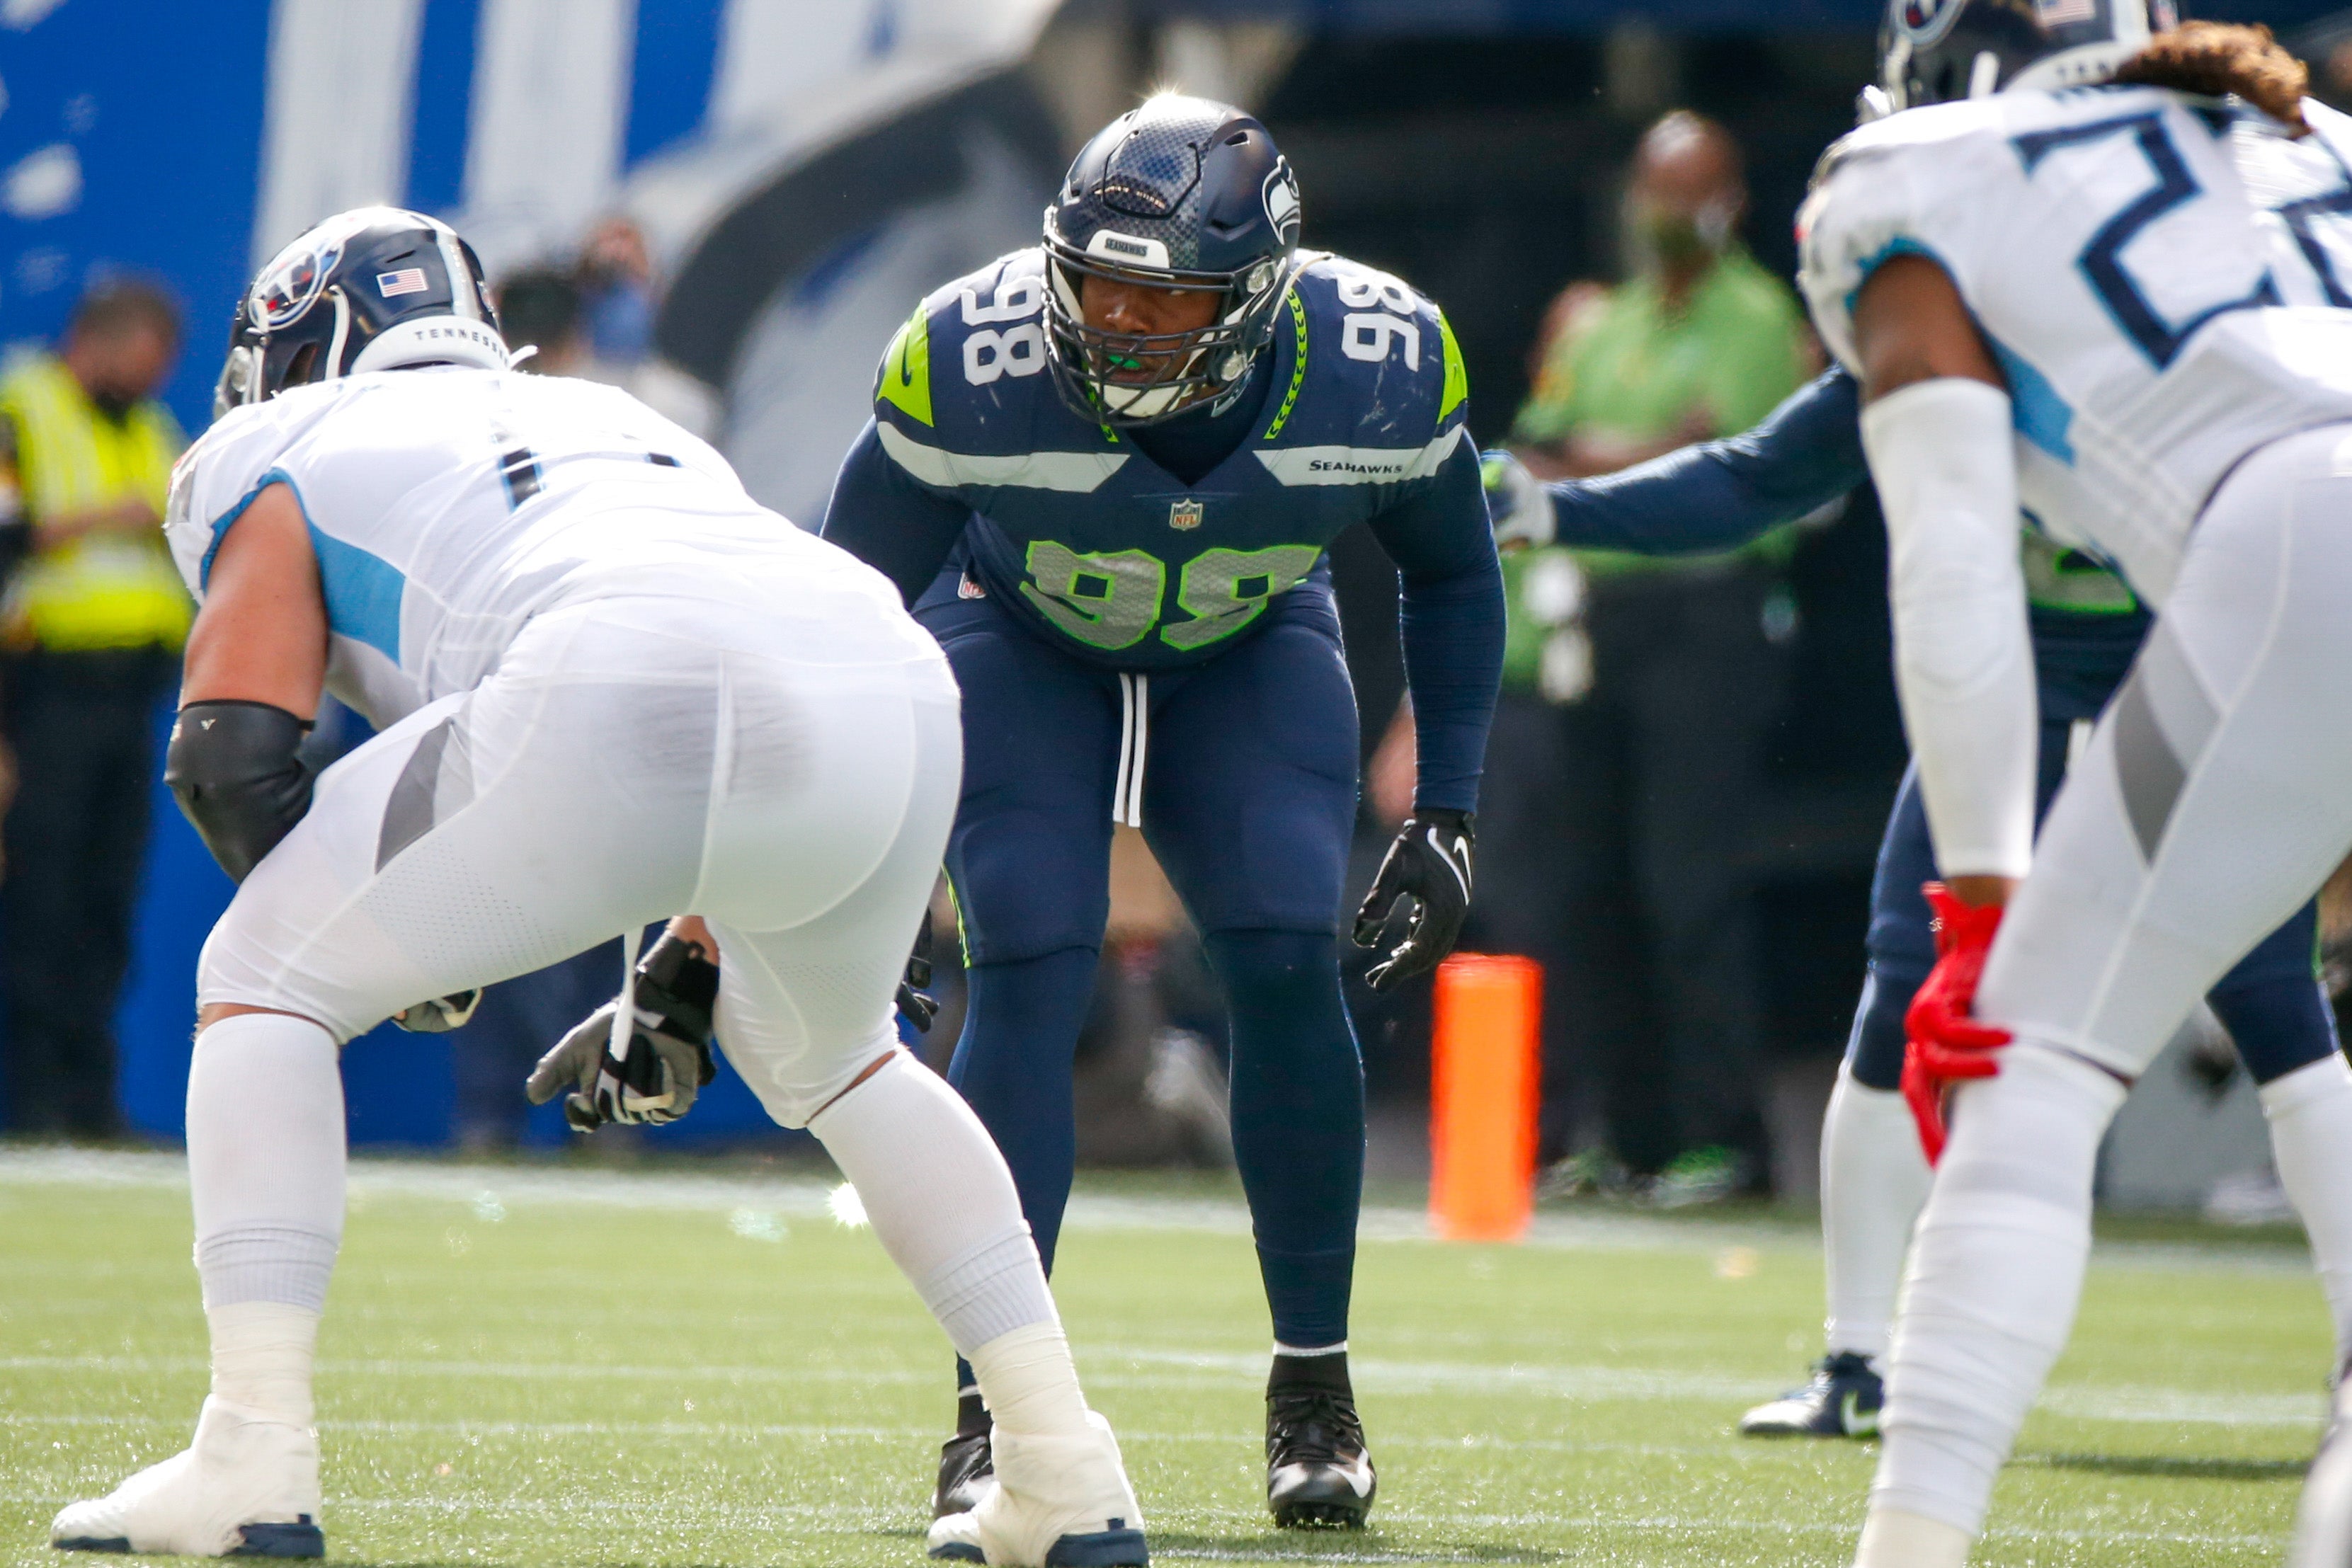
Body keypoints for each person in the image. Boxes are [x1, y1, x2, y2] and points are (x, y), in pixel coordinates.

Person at [49, 207, 1146, 1568]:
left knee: (259, 984)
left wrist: (417, 957)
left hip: (618, 675)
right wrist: (679, 961)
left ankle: (250, 1453)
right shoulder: (618, 419)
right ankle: (1061, 1464)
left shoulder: (266, 448)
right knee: (850, 1066)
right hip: (882, 671)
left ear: (301, 344)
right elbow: (729, 696)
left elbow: (231, 750)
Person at [812, 95, 1503, 1528]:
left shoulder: (1371, 364)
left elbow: (1450, 571)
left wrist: (1444, 808)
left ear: (1257, 296)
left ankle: (1312, 1385)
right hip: (1018, 635)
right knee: (1032, 951)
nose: (1116, 321)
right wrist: (861, 851)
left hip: (1249, 637)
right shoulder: (971, 357)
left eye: (1160, 294)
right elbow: (846, 611)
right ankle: (993, 1416)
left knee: (1277, 944)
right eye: (1097, 282)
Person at [1488, 349, 2350, 1437]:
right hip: (2018, 674)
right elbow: (1754, 476)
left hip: (2188, 663)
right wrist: (1553, 511)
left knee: (2272, 993)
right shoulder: (1944, 328)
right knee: (1900, 986)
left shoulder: (2180, 332)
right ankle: (1856, 1357)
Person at [1796, 11, 2352, 1564]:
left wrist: (1978, 902)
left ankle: (1906, 1546)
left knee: (2024, 1061)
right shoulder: (2315, 141)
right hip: (2301, 553)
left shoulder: (1917, 178)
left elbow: (1956, 553)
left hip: (2298, 536)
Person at [1500, 110, 1813, 1197]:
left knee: (1691, 882)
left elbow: (1723, 459)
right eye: (1655, 192)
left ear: (1730, 201)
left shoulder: (1758, 316)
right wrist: (1646, 451)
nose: (1668, 217)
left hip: (1709, 612)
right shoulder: (1606, 321)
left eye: (1690, 194)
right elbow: (1539, 446)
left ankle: (1723, 1135)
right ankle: (1622, 1131)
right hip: (1602, 617)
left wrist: (1602, 463)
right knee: (1590, 883)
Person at [0, 279, 188, 1137]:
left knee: (103, 903)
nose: (149, 381)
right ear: (99, 340)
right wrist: (99, 518)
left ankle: (88, 1101)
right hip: (41, 693)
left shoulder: (151, 427)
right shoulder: (22, 408)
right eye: (142, 360)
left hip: (130, 698)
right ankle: (31, 1097)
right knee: (37, 900)